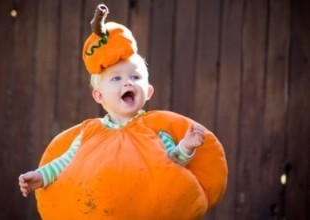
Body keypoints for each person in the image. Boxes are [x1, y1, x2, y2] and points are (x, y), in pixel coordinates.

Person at [19, 4, 228, 219]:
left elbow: (171, 164)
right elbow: (66, 163)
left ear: (147, 92)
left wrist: (186, 147)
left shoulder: (154, 130)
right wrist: (41, 176)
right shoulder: (89, 134)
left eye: (135, 77)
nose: (127, 82)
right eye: (116, 78)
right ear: (99, 96)